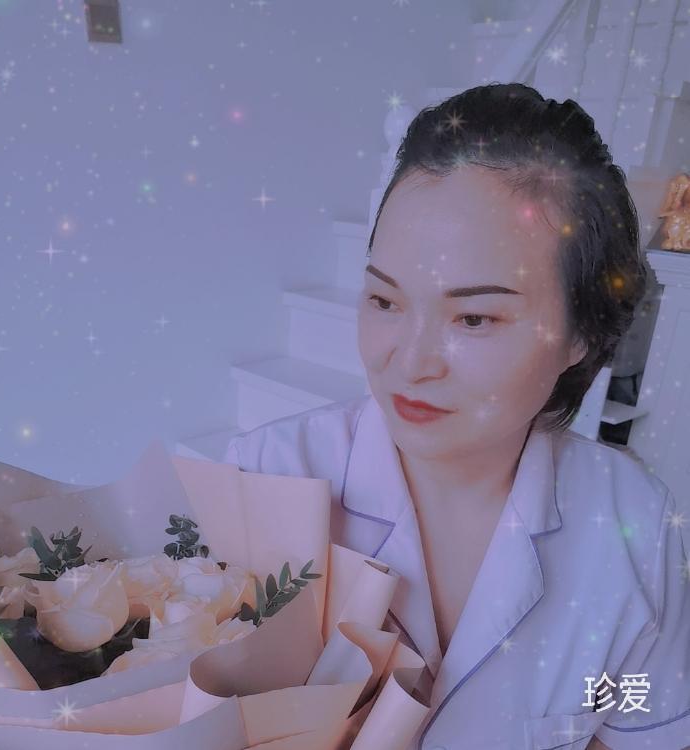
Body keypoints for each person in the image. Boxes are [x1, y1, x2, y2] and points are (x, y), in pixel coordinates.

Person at [223, 83, 690, 750]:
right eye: (385, 301)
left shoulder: (634, 529)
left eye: (473, 318)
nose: (410, 362)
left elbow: (633, 731)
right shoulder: (262, 479)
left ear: (582, 333)